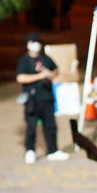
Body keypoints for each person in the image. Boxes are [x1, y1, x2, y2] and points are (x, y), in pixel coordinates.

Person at [15, 32, 70, 165]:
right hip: (32, 99)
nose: (36, 45)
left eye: (37, 42)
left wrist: (50, 75)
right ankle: (30, 151)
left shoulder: (45, 58)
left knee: (51, 126)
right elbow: (20, 78)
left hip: (47, 97)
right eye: (33, 42)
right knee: (31, 126)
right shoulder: (24, 61)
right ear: (28, 45)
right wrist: (40, 76)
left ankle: (53, 150)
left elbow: (56, 70)